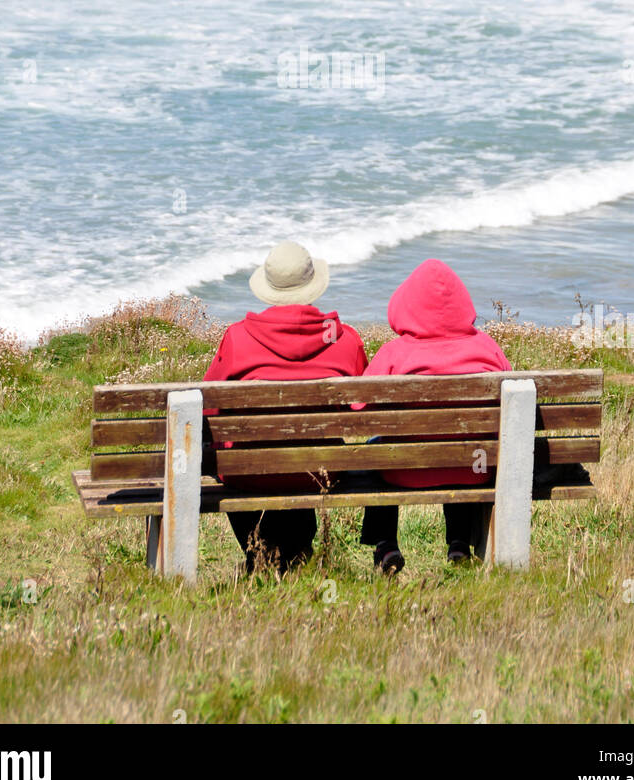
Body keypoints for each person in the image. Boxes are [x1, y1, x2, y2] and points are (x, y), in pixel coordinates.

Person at [204, 240, 366, 573]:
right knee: (301, 454)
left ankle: (262, 552)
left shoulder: (237, 338)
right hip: (319, 472)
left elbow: (206, 408)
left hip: (249, 474)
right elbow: (364, 410)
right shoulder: (343, 338)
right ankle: (294, 551)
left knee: (227, 450)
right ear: (312, 286)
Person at [356, 259, 511, 573]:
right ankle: (459, 544)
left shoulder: (393, 353)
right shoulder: (487, 347)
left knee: (376, 445)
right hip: (472, 469)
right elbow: (515, 404)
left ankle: (385, 546)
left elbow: (358, 406)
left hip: (403, 469)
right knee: (467, 448)